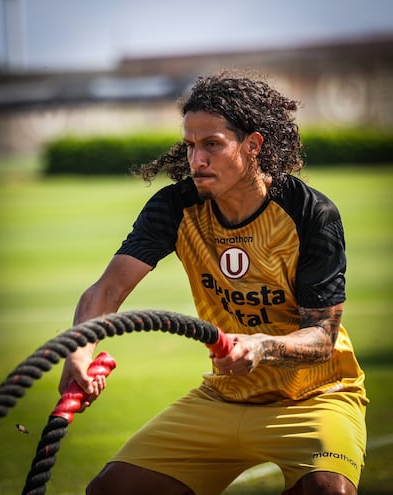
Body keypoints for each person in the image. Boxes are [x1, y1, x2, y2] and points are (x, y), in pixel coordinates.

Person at [59, 70, 368, 495]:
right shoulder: (175, 206)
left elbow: (322, 339)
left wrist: (260, 346)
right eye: (190, 146)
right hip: (226, 396)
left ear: (253, 145)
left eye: (211, 145)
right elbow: (107, 290)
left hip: (316, 396)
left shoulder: (310, 212)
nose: (196, 160)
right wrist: (79, 348)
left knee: (326, 491)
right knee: (110, 491)